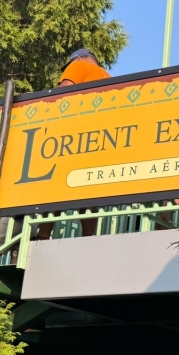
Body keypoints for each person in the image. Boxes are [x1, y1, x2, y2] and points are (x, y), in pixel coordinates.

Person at [37, 49, 111, 240]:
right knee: (86, 188)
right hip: (100, 139)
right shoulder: (108, 76)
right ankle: (88, 236)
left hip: (75, 135)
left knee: (57, 184)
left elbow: (63, 94)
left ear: (77, 59)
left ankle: (43, 235)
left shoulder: (79, 65)